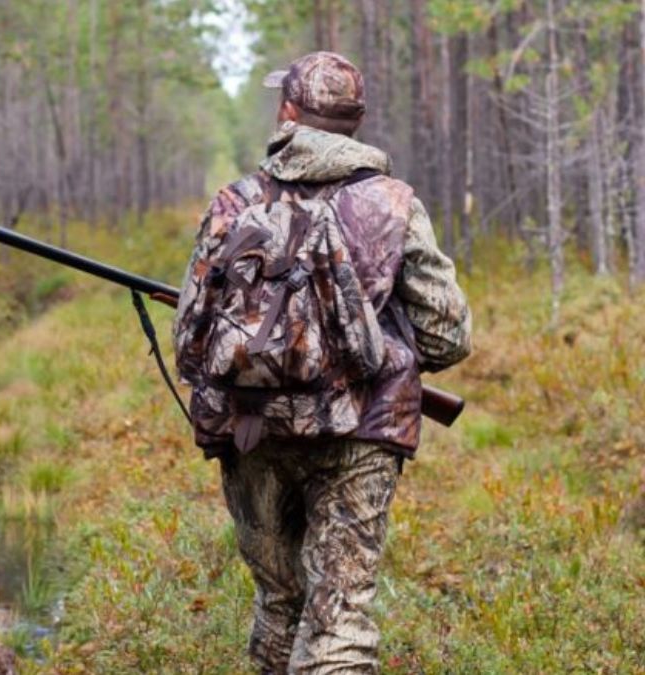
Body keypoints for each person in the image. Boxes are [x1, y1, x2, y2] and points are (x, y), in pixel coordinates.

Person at [172, 52, 472, 674]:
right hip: (362, 433)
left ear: (288, 114)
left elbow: (190, 338)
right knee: (340, 617)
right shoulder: (393, 203)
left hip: (251, 428)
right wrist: (373, 342)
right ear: (355, 122)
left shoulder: (234, 202)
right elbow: (447, 337)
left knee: (280, 600)